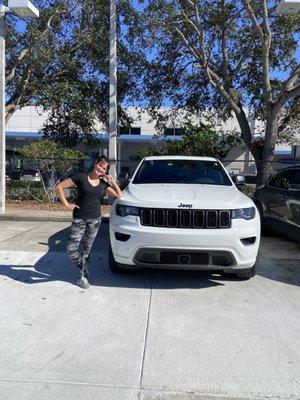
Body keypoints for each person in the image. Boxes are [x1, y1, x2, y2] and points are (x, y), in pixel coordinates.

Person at [55, 156, 122, 289]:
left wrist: (112, 182)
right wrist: (66, 204)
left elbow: (119, 195)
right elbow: (59, 187)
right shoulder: (81, 177)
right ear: (95, 163)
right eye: (100, 165)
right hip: (79, 217)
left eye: (104, 168)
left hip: (95, 219)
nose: (101, 169)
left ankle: (82, 275)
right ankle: (82, 266)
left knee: (87, 249)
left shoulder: (104, 184)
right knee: (71, 249)